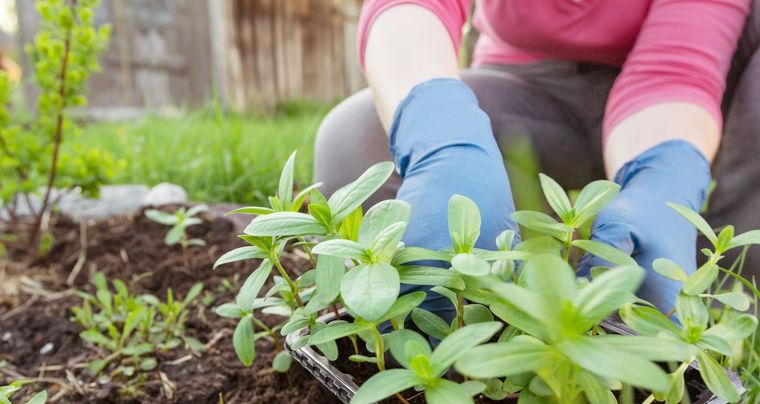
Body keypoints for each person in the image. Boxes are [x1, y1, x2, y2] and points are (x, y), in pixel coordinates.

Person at [314, 0, 759, 314]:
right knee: (356, 139)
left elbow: (674, 69)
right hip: (529, 88)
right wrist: (438, 133)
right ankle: (491, 298)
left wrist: (663, 179)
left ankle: (724, 286)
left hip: (676, 102)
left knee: (661, 230)